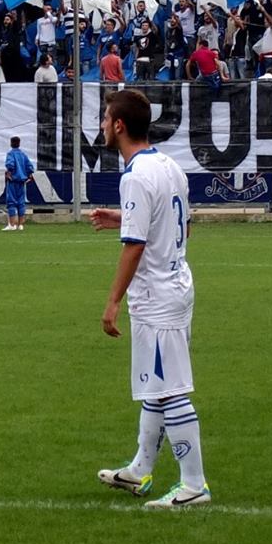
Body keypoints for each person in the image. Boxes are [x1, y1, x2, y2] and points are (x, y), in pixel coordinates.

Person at [88, 88, 209, 510]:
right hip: (176, 285)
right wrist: (124, 216)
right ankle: (140, 469)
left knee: (171, 390)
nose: (103, 125)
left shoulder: (136, 175)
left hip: (157, 297)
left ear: (119, 125)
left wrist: (112, 301)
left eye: (106, 118)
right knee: (156, 388)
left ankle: (193, 484)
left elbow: (135, 245)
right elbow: (182, 225)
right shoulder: (169, 166)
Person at [1, 135, 34, 233]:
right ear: (19, 144)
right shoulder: (23, 155)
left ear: (11, 143)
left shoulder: (11, 154)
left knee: (11, 202)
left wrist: (9, 173)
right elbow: (29, 166)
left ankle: (12, 224)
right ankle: (20, 225)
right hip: (22, 182)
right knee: (21, 203)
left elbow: (10, 164)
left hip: (13, 180)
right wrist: (29, 174)